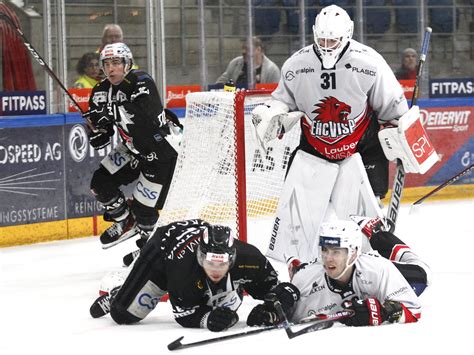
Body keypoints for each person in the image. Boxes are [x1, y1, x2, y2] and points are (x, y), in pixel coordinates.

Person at [251, 5, 437, 263]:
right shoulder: (296, 65)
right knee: (300, 231)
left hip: (361, 150)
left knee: (366, 226)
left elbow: (392, 109)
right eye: (322, 39)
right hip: (314, 150)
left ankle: (371, 271)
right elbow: (284, 101)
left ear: (347, 34)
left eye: (333, 40)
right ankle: (307, 276)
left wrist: (401, 130)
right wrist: (272, 112)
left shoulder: (369, 63)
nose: (327, 45)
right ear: (315, 34)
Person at [89, 219, 299, 332]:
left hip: (195, 255)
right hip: (163, 254)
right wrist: (207, 319)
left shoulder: (250, 257)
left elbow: (273, 288)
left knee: (220, 294)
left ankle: (230, 289)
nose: (215, 270)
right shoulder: (183, 272)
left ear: (232, 259)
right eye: (210, 263)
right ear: (200, 257)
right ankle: (119, 294)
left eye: (221, 264)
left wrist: (276, 305)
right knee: (123, 314)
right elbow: (184, 313)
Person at [84, 42, 182, 249]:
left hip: (161, 152)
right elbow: (104, 128)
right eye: (107, 63)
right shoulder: (100, 90)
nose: (111, 68)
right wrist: (97, 133)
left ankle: (150, 251)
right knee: (100, 183)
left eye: (116, 62)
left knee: (144, 210)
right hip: (132, 149)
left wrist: (110, 111)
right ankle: (125, 220)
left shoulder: (141, 81)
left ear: (127, 63)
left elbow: (145, 121)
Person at [246, 219, 426, 328]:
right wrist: (271, 313)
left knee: (423, 275)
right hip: (308, 271)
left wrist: (384, 312)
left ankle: (376, 231)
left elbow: (414, 310)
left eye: (336, 252)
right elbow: (288, 318)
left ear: (353, 253)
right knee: (302, 273)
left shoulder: (379, 270)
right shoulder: (307, 280)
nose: (328, 258)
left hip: (377, 264)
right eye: (325, 250)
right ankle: (297, 264)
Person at [216, 36, 280, 85]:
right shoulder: (235, 63)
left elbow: (276, 94)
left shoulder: (272, 70)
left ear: (258, 49)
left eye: (247, 49)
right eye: (243, 48)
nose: (243, 52)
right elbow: (220, 83)